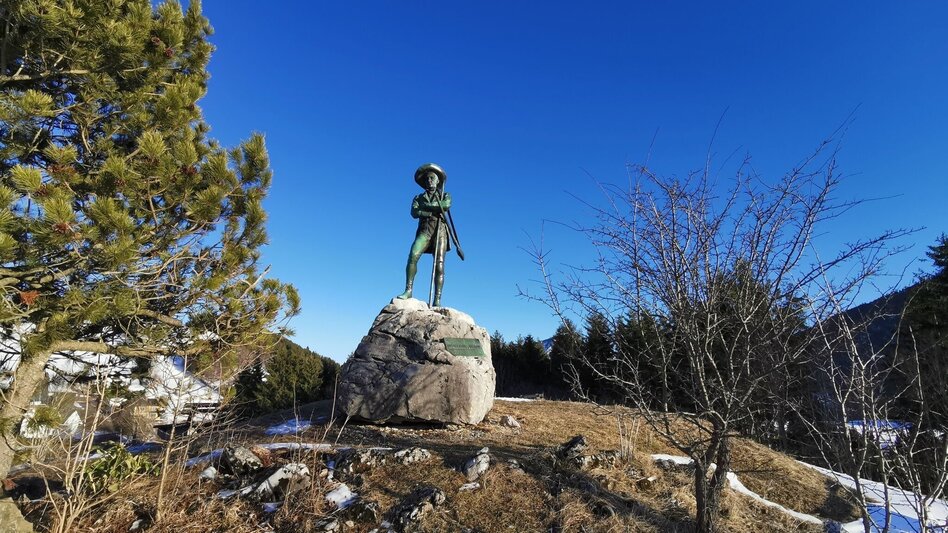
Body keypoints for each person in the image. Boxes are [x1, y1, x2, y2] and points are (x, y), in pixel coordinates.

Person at [396, 163, 452, 306]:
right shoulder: (418, 197)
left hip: (440, 232)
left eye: (432, 178)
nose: (429, 181)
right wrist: (430, 210)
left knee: (439, 264)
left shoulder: (444, 195)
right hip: (425, 230)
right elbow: (414, 213)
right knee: (413, 254)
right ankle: (408, 290)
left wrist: (425, 208)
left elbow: (445, 205)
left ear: (438, 181)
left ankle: (437, 300)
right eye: (427, 179)